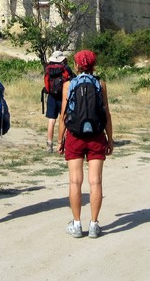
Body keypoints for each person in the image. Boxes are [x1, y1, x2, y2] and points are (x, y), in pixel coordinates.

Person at [59, 50, 113, 239]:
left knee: (75, 181)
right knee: (95, 181)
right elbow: (106, 114)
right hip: (96, 136)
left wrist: (60, 140)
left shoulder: (68, 85)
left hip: (75, 136)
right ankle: (94, 225)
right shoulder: (100, 84)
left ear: (76, 65)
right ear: (93, 65)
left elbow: (64, 115)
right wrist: (110, 139)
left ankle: (76, 224)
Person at [43, 51, 74, 152]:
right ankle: (64, 143)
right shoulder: (66, 68)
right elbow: (73, 79)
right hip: (64, 96)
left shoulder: (47, 68)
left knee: (51, 120)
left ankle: (49, 144)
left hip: (51, 96)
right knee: (64, 119)